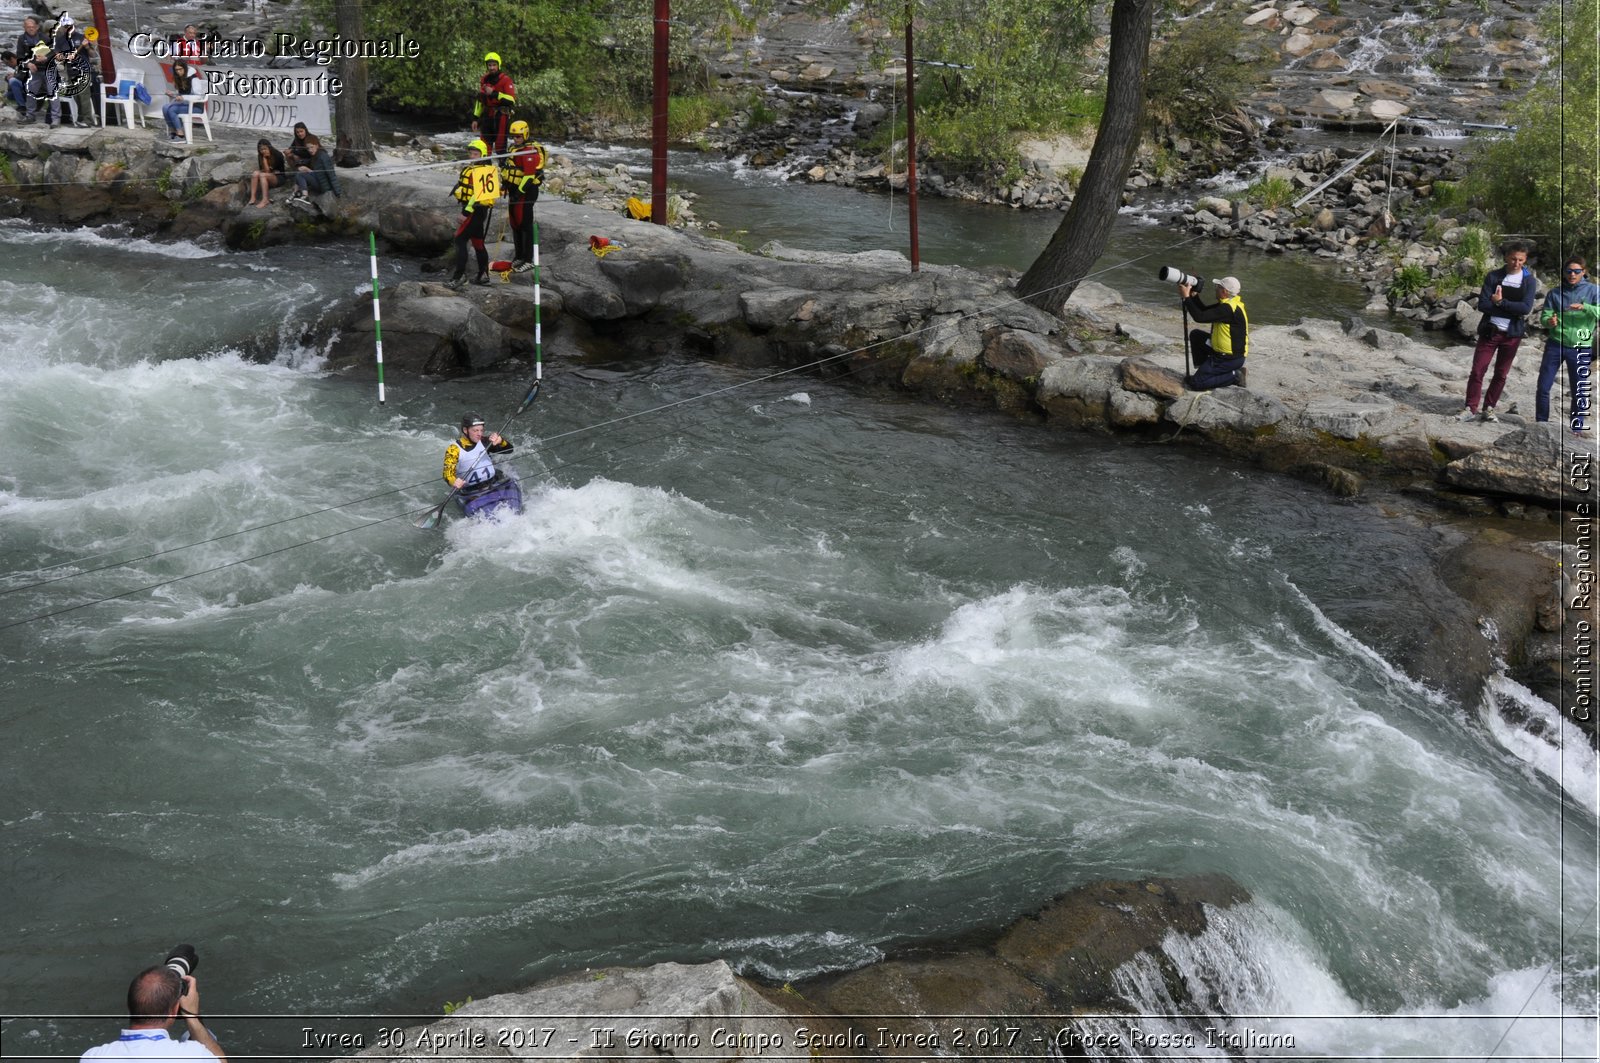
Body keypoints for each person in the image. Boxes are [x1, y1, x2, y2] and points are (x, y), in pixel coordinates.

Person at [1459, 241, 1539, 422]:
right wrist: (1509, 308)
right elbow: (1483, 304)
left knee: (1501, 374)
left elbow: (1525, 308)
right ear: (1506, 257)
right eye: (1513, 259)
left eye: (1520, 260)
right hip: (1490, 331)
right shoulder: (1494, 276)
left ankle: (1489, 408)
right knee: (1478, 370)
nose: (1516, 263)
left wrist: (1501, 303)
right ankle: (1470, 408)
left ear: (1525, 261)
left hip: (1512, 335)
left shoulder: (1528, 281)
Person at [80, 964, 226, 1062]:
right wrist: (192, 1016)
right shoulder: (192, 1055)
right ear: (174, 1011)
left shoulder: (93, 1057)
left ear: (129, 1005)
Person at [1536, 255, 1600, 437]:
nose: (1572, 274)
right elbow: (1544, 318)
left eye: (1577, 271)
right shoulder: (1554, 293)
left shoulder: (1594, 291)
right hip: (1555, 344)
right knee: (1543, 387)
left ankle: (1576, 428)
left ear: (1584, 272)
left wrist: (1585, 307)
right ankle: (1541, 423)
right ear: (1564, 273)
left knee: (1578, 390)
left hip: (1581, 345)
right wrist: (1550, 321)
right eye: (1569, 271)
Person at [1179, 275, 1249, 390]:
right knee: (1196, 335)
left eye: (1218, 287)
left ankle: (1235, 376)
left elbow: (1199, 317)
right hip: (1220, 351)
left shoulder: (1228, 309)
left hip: (1228, 358)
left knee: (1196, 384)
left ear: (1225, 291)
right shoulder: (1229, 303)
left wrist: (1186, 297)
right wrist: (1194, 295)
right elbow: (1204, 311)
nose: (1215, 288)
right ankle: (1206, 371)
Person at [448, 138, 499, 289]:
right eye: (471, 153)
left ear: (483, 155)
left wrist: (465, 213)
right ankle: (483, 276)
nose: (472, 156)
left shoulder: (478, 172)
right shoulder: (485, 170)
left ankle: (459, 276)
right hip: (480, 211)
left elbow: (475, 196)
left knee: (459, 240)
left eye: (476, 154)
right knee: (477, 242)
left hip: (474, 211)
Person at [502, 119, 545, 272]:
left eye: (519, 137)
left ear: (525, 134)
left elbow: (528, 176)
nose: (516, 139)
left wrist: (519, 192)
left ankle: (529, 259)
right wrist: (506, 184)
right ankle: (519, 256)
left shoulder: (530, 151)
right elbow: (510, 168)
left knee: (525, 223)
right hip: (514, 189)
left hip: (526, 191)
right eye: (514, 137)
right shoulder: (514, 148)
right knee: (515, 223)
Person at [443, 412, 513, 491]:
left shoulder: (484, 441)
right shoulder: (453, 449)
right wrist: (454, 482)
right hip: (472, 490)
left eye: (481, 430)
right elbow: (447, 474)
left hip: (493, 483)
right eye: (475, 430)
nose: (479, 434)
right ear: (465, 430)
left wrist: (501, 441)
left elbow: (509, 450)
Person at [50, 13, 93, 128]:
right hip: (70, 71)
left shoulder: (82, 37)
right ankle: (80, 118)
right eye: (66, 26)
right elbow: (57, 55)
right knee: (77, 97)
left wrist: (87, 46)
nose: (69, 28)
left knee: (84, 97)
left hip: (83, 70)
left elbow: (92, 54)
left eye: (70, 25)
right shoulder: (59, 40)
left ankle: (88, 120)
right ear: (63, 28)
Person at [471, 51, 515, 155]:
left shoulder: (506, 80)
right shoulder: (484, 79)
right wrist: (475, 118)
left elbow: (511, 100)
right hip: (487, 115)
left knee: (500, 146)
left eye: (494, 65)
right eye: (489, 65)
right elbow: (480, 100)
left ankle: (503, 167)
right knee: (484, 145)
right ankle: (485, 167)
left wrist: (495, 94)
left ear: (498, 65)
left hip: (501, 116)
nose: (491, 67)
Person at [288, 133, 340, 205]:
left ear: (317, 145)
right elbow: (310, 164)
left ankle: (305, 196)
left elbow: (331, 175)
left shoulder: (323, 156)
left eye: (312, 147)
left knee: (301, 174)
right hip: (319, 181)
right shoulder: (315, 155)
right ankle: (295, 193)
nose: (310, 150)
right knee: (300, 171)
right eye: (308, 148)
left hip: (324, 187)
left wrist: (337, 193)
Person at [160, 59, 204, 141]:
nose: (178, 72)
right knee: (165, 108)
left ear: (185, 68)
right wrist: (173, 93)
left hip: (195, 106)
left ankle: (180, 134)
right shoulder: (181, 78)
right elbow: (181, 93)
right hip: (184, 104)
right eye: (176, 70)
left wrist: (183, 98)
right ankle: (173, 131)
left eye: (180, 69)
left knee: (172, 109)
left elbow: (199, 97)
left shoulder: (194, 79)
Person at [15, 15, 45, 122]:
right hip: (32, 70)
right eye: (28, 27)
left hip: (46, 69)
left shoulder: (44, 37)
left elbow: (52, 52)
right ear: (24, 27)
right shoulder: (22, 39)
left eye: (32, 26)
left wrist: (45, 57)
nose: (31, 28)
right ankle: (30, 116)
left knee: (53, 95)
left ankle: (55, 119)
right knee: (30, 92)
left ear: (37, 27)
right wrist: (28, 64)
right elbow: (20, 56)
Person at [245, 138, 287, 207]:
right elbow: (263, 169)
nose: (263, 151)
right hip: (270, 175)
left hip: (279, 178)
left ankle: (265, 200)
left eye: (265, 149)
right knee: (255, 173)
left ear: (269, 147)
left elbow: (267, 171)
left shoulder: (277, 154)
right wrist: (263, 160)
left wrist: (264, 159)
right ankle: (253, 197)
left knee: (262, 175)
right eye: (261, 149)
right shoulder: (260, 156)